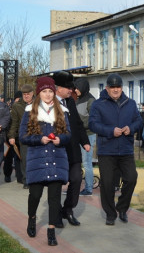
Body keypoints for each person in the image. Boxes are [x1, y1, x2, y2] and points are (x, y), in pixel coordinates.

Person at [19, 76, 71, 247]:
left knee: (54, 199)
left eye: (50, 91)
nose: (48, 95)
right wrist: (39, 139)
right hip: (37, 160)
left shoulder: (62, 110)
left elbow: (69, 135)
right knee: (34, 195)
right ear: (39, 93)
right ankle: (32, 218)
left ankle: (51, 231)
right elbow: (23, 136)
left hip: (57, 159)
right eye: (44, 91)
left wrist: (60, 139)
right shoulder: (29, 111)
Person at [89, 73, 142, 226]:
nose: (116, 89)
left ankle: (122, 208)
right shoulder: (98, 104)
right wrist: (110, 131)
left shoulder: (130, 103)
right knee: (107, 183)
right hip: (106, 150)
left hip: (125, 150)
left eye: (118, 86)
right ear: (107, 88)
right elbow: (93, 124)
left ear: (121, 87)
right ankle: (110, 213)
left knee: (131, 178)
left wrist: (130, 128)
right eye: (112, 87)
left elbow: (139, 121)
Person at [53, 71, 90, 227]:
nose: (71, 90)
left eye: (72, 87)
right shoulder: (48, 102)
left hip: (72, 149)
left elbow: (78, 124)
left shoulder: (71, 102)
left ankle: (68, 210)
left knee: (76, 179)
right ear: (58, 88)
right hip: (56, 150)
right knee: (55, 185)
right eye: (68, 88)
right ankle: (54, 215)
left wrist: (85, 142)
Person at [8, 84, 35, 189]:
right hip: (24, 136)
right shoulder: (17, 106)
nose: (26, 96)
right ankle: (26, 181)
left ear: (32, 94)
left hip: (38, 136)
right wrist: (11, 136)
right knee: (25, 159)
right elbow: (14, 122)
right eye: (24, 94)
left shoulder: (39, 103)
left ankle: (37, 179)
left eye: (28, 94)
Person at [74, 77, 97, 196]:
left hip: (88, 135)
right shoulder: (78, 100)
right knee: (80, 162)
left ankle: (88, 189)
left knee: (87, 162)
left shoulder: (90, 101)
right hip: (79, 135)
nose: (75, 90)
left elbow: (93, 120)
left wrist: (80, 125)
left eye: (77, 88)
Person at [3, 90, 25, 184]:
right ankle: (7, 175)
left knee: (19, 157)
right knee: (8, 157)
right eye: (17, 98)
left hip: (18, 136)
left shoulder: (24, 108)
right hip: (9, 136)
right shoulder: (8, 109)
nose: (19, 100)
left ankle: (19, 176)